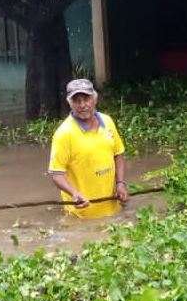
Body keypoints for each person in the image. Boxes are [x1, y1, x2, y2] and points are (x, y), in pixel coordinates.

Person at [48, 79, 129, 219]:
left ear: (95, 99)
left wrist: (120, 183)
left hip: (113, 209)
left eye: (86, 99)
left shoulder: (107, 121)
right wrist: (74, 193)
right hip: (82, 215)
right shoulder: (63, 134)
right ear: (70, 103)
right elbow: (57, 174)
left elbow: (118, 154)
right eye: (76, 101)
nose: (82, 105)